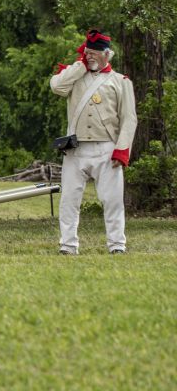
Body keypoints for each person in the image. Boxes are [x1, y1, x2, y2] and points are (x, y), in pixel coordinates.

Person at [50, 29, 136, 255]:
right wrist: (79, 66)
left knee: (113, 200)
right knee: (69, 200)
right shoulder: (75, 76)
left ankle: (117, 244)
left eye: (94, 53)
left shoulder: (121, 81)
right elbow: (56, 86)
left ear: (107, 54)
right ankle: (68, 245)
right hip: (75, 148)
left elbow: (129, 119)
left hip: (106, 148)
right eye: (86, 53)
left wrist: (121, 150)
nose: (89, 57)